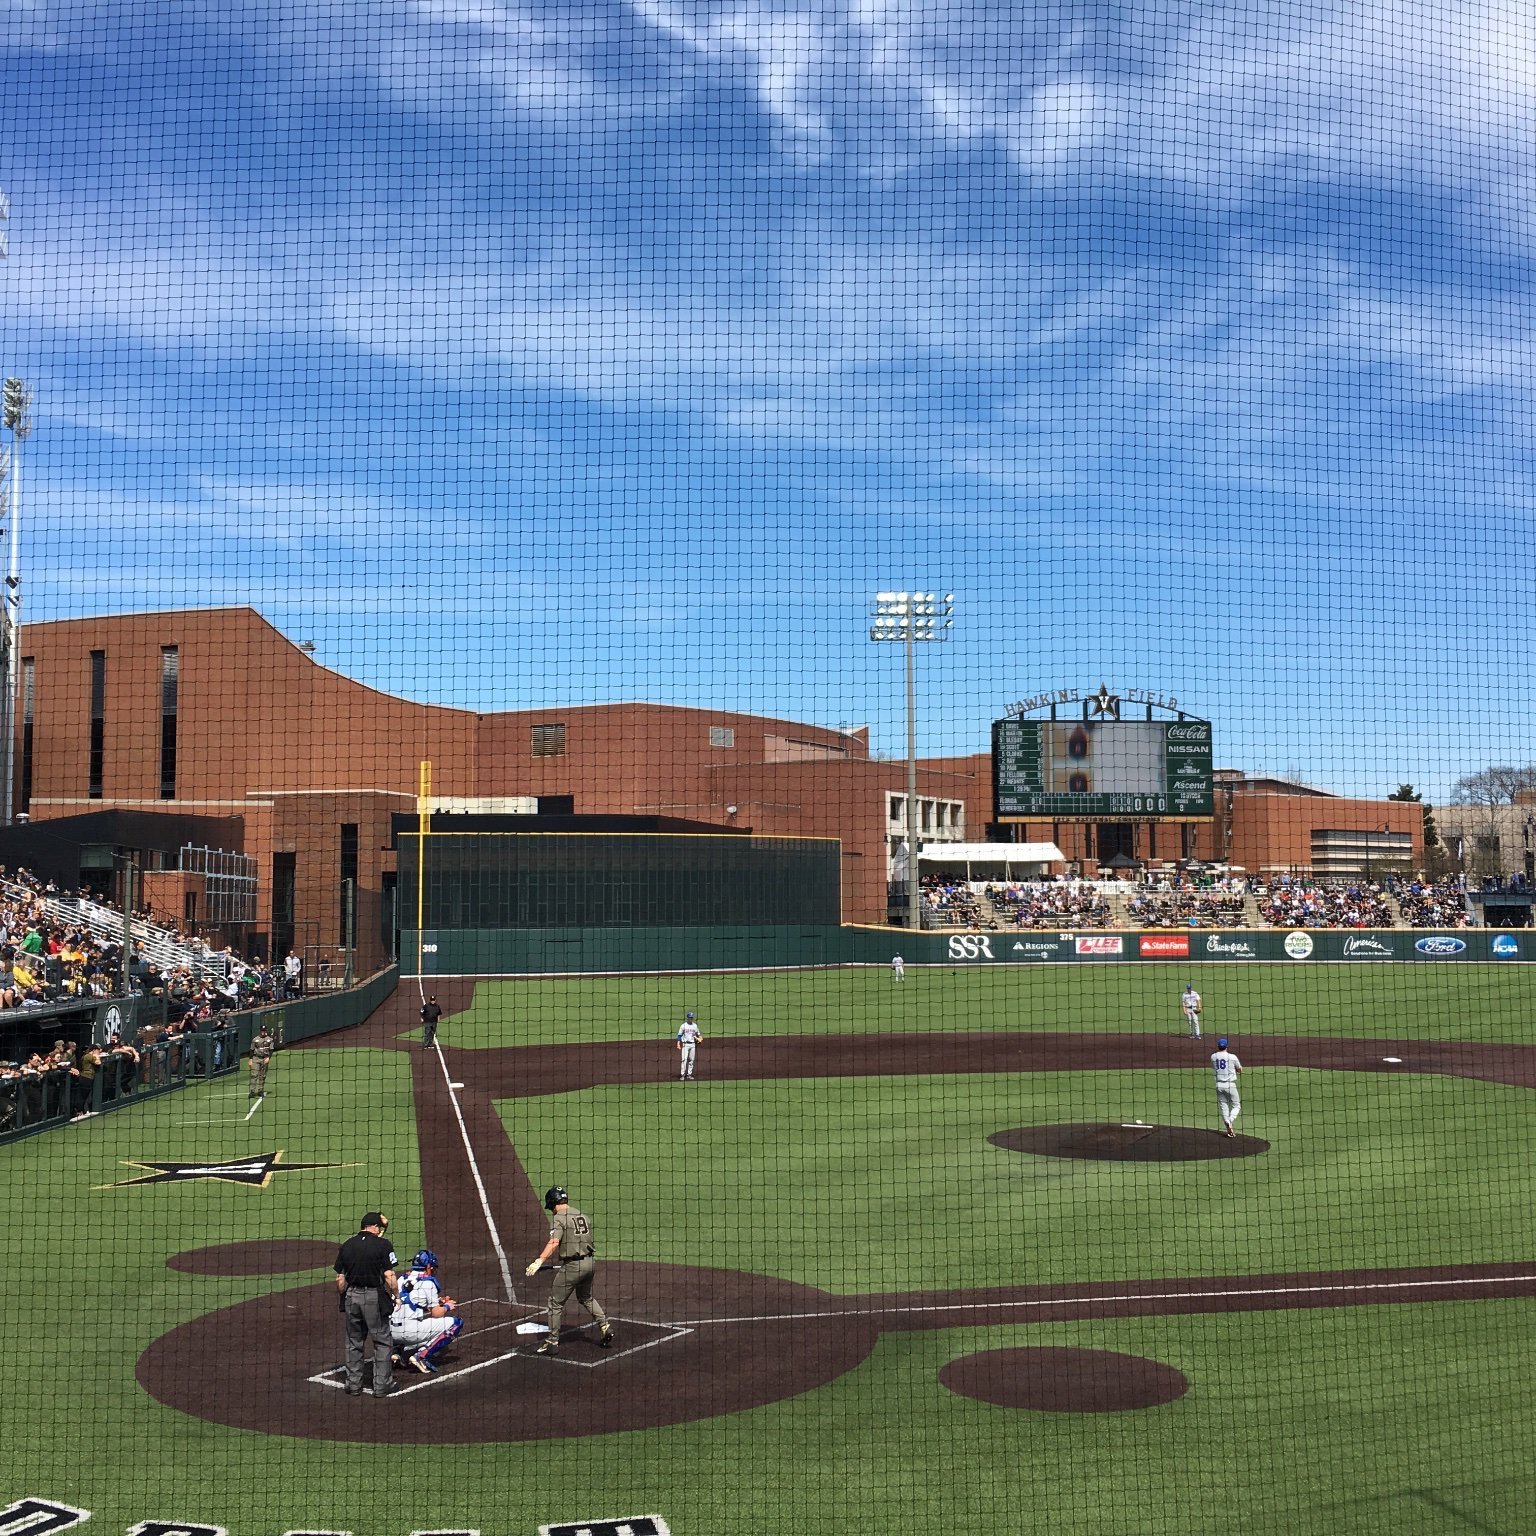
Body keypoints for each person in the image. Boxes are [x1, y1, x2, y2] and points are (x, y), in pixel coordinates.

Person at [524, 1186, 612, 1354]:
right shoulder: (581, 1215)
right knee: (586, 1297)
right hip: (590, 1263)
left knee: (555, 1303)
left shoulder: (559, 1218)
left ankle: (552, 1342)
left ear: (552, 1202)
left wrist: (539, 1260)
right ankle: (604, 1325)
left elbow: (554, 1242)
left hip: (573, 1266)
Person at [334, 1212, 399, 1396]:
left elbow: (340, 1280)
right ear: (375, 1227)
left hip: (351, 1296)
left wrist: (346, 1297)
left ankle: (354, 1385)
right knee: (382, 1341)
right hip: (373, 1297)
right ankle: (381, 1385)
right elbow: (389, 1276)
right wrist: (397, 1296)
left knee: (354, 1341)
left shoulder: (347, 1245)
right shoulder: (383, 1245)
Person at [389, 1249, 463, 1374]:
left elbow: (411, 1301)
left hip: (390, 1333)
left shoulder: (402, 1278)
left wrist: (437, 1302)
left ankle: (397, 1353)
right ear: (428, 1267)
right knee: (457, 1323)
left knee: (404, 1316)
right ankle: (422, 1356)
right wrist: (447, 1307)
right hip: (410, 1332)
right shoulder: (429, 1282)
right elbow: (436, 1314)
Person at [1210, 1037, 1243, 1138]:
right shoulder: (1232, 1057)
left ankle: (1229, 1128)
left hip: (1219, 1085)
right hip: (1230, 1084)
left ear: (1218, 1046)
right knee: (1236, 1105)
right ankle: (1230, 1120)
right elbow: (1240, 1069)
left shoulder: (1213, 1056)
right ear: (1226, 1046)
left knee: (1223, 1105)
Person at [248, 1024, 276, 1098]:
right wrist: (250, 1059)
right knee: (254, 1075)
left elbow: (271, 1050)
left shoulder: (269, 1039)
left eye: (264, 1030)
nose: (263, 1032)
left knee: (262, 1075)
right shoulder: (255, 1039)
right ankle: (252, 1091)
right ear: (260, 1031)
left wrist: (268, 1058)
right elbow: (251, 1050)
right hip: (256, 1058)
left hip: (264, 1058)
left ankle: (260, 1091)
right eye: (262, 1030)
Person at [676, 1010, 702, 1080]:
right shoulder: (683, 1026)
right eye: (690, 1017)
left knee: (691, 1060)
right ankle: (682, 1075)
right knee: (684, 1060)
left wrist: (700, 1039)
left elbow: (698, 1035)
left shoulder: (695, 1026)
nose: (691, 1019)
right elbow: (679, 1035)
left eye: (692, 1018)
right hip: (685, 1045)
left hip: (693, 1045)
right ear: (687, 1018)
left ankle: (689, 1074)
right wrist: (678, 1043)